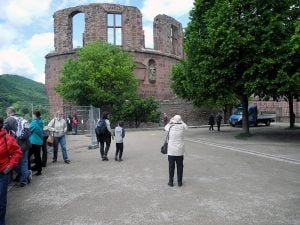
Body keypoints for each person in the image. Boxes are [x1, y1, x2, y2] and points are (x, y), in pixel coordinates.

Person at [0, 117, 22, 225]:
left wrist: (10, 166)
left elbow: (17, 152)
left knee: (1, 200)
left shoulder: (7, 138)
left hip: (2, 174)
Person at [3, 107, 32, 187]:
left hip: (17, 146)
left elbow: (2, 131)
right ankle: (25, 179)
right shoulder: (21, 118)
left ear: (8, 113)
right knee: (24, 163)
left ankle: (25, 177)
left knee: (14, 163)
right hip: (26, 144)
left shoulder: (9, 120)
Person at [164, 115, 188, 187]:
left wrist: (171, 121)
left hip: (171, 150)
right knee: (180, 166)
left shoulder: (170, 126)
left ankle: (171, 182)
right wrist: (181, 121)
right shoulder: (182, 126)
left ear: (174, 120)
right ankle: (179, 182)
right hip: (180, 150)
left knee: (171, 166)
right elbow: (186, 127)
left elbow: (165, 127)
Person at [28, 111, 44, 176]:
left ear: (34, 115)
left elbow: (28, 131)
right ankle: (39, 171)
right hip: (39, 142)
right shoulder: (41, 122)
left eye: (33, 115)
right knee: (38, 156)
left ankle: (29, 170)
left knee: (27, 156)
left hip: (33, 142)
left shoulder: (34, 123)